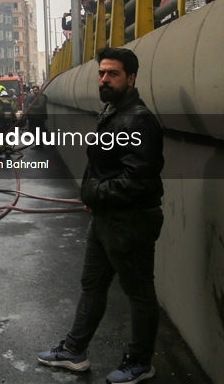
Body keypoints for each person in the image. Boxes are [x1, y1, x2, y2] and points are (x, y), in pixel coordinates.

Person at [37, 47, 164, 384]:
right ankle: (74, 351)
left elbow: (137, 180)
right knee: (92, 285)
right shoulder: (111, 111)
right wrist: (96, 197)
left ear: (131, 78)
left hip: (132, 221)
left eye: (113, 74)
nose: (105, 79)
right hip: (106, 218)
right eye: (102, 73)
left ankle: (139, 362)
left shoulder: (138, 119)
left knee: (139, 292)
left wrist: (93, 194)